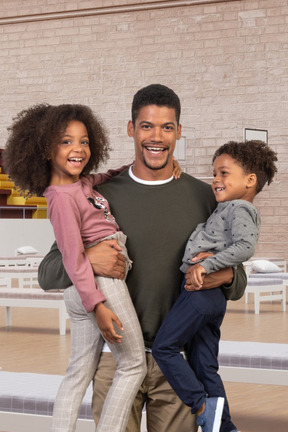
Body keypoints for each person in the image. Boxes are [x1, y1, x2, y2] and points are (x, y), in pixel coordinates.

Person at [38, 84, 247, 432]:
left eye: (167, 127)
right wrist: (90, 258)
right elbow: (49, 272)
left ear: (179, 131)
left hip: (178, 364)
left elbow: (237, 279)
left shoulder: (205, 197)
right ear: (131, 129)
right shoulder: (97, 195)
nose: (157, 136)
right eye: (147, 126)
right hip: (113, 359)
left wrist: (224, 276)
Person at [3, 103, 148, 432]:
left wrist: (136, 165)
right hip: (98, 285)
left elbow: (104, 176)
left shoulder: (81, 185)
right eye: (66, 141)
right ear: (44, 148)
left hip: (88, 289)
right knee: (133, 364)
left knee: (78, 372)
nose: (78, 149)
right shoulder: (59, 197)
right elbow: (72, 257)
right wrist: (96, 304)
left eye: (84, 141)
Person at [152, 140, 278, 432]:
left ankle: (201, 406)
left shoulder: (239, 208)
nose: (216, 180)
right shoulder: (226, 207)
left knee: (165, 347)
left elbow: (246, 247)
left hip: (200, 295)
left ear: (250, 180)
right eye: (215, 173)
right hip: (208, 299)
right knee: (205, 366)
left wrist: (207, 265)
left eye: (224, 173)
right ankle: (225, 427)